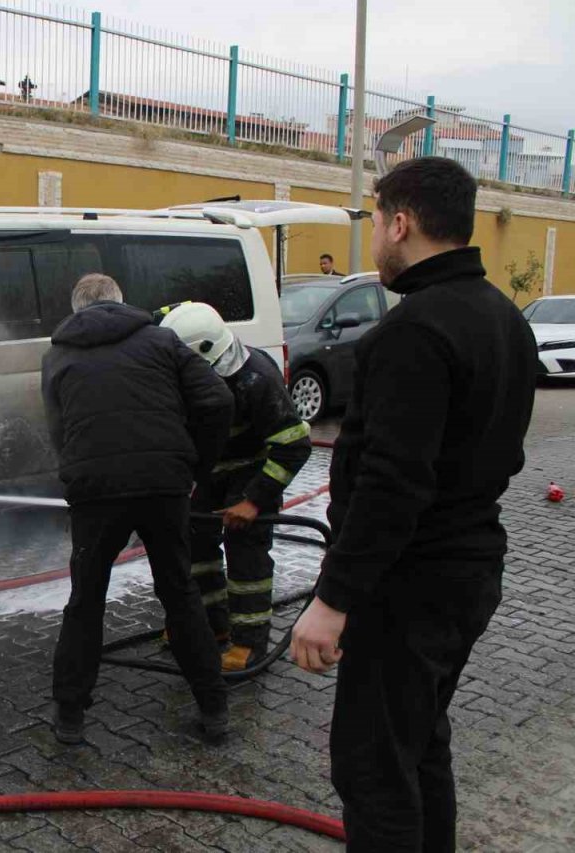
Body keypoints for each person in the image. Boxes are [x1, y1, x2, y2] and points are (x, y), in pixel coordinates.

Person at [290, 157, 537, 851]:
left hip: (408, 587)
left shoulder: (414, 332)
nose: (374, 239)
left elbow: (393, 484)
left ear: (400, 223)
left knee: (373, 769)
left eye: (375, 222)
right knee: (420, 745)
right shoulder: (504, 318)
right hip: (468, 573)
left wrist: (333, 600)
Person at [41, 273, 234, 745]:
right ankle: (214, 709)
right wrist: (195, 467)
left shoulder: (58, 355)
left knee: (86, 599)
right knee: (179, 592)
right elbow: (217, 399)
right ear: (121, 302)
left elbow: (58, 429)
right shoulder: (162, 341)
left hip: (95, 493)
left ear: (76, 309)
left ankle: (70, 716)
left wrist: (77, 472)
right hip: (163, 487)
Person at [160, 302, 311, 671]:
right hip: (209, 473)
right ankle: (210, 626)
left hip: (253, 473)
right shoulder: (194, 371)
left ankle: (249, 642)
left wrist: (254, 501)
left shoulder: (256, 379)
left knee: (246, 554)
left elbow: (294, 445)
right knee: (195, 545)